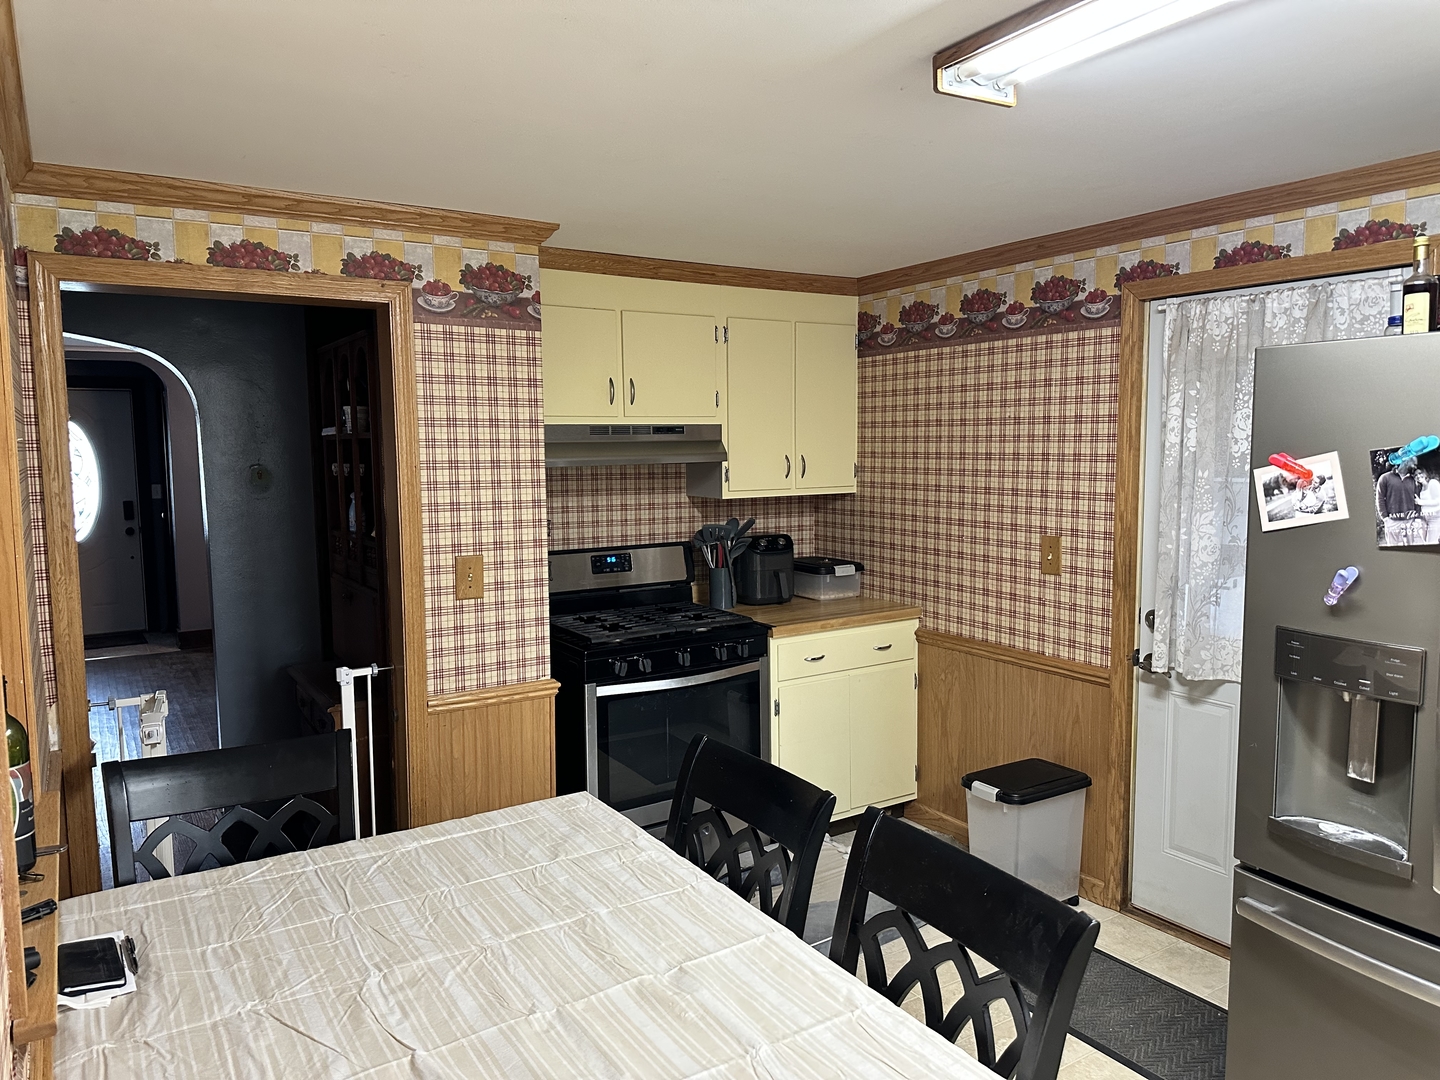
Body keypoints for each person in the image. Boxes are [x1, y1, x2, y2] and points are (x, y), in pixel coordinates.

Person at [1378, 459, 1421, 545]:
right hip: (1392, 521)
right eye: (1414, 464)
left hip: (1409, 521)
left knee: (1411, 549)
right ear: (1406, 461)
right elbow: (1380, 498)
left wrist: (1417, 517)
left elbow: (1417, 499)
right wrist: (1385, 518)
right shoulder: (1385, 478)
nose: (1415, 467)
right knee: (1393, 550)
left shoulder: (1414, 480)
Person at [1418, 464, 1440, 543]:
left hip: (1435, 516)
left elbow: (1438, 501)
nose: (1418, 476)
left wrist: (1421, 502)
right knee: (1425, 540)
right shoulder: (1421, 488)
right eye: (1416, 475)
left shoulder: (1433, 483)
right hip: (1425, 517)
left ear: (1425, 473)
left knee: (1431, 542)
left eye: (1420, 473)